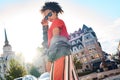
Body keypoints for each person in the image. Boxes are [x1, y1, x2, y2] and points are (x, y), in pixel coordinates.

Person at [40, 1, 78, 80]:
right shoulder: (52, 26)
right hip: (58, 55)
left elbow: (56, 40)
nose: (48, 18)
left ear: (55, 12)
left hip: (60, 55)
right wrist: (45, 27)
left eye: (49, 14)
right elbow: (47, 43)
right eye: (46, 17)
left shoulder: (57, 22)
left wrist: (49, 60)